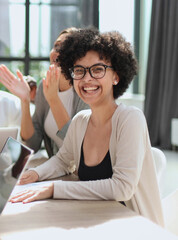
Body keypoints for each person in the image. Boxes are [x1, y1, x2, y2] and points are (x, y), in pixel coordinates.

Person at [9, 28, 164, 226]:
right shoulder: (81, 120)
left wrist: (54, 188)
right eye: (79, 71)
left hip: (134, 226)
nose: (87, 79)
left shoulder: (130, 118)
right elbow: (63, 160)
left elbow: (122, 188)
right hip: (93, 219)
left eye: (98, 69)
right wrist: (35, 174)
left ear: (116, 76)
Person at [0, 27, 88, 158]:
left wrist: (53, 99)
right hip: (57, 170)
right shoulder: (44, 86)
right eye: (56, 46)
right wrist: (25, 100)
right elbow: (32, 143)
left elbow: (75, 144)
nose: (58, 52)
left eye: (66, 48)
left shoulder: (85, 89)